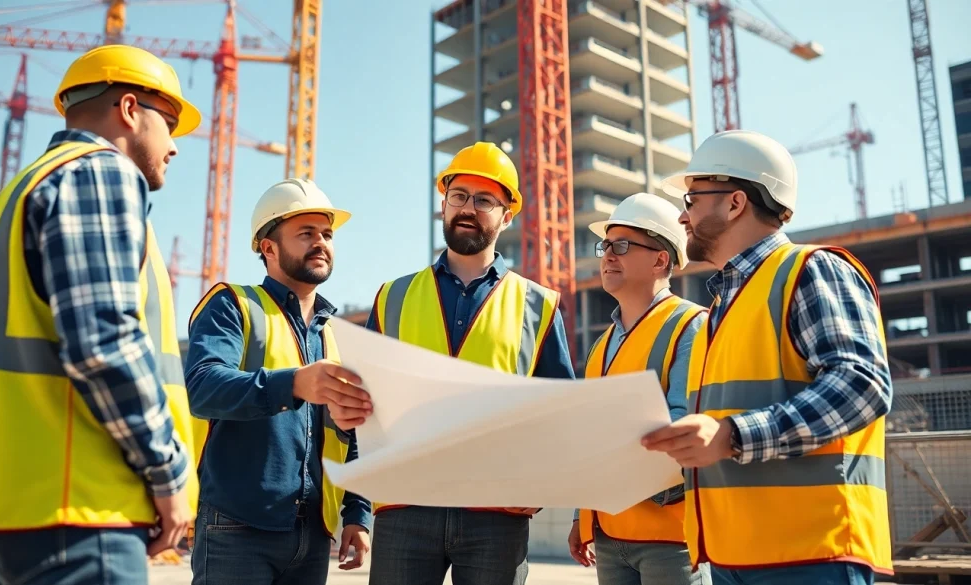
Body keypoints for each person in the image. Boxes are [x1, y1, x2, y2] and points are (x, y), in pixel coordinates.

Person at [0, 44, 201, 584]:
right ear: (129, 109)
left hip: (3, 510)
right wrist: (168, 472)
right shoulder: (98, 174)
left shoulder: (7, 204)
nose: (175, 146)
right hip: (81, 507)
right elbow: (103, 340)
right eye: (170, 122)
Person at [641, 129, 893, 585]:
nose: (681, 215)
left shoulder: (812, 269)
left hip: (812, 554)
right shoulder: (722, 309)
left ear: (735, 203)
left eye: (692, 199)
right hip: (733, 555)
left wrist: (733, 435)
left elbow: (862, 386)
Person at [352, 141, 577, 585]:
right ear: (443, 205)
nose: (468, 208)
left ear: (507, 216)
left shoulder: (538, 305)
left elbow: (560, 411)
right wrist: (357, 507)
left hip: (496, 513)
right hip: (405, 507)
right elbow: (360, 411)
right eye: (459, 196)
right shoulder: (393, 296)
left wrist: (542, 486)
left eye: (484, 200)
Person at [183, 178, 373, 584]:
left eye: (327, 234)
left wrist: (358, 513)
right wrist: (294, 384)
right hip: (236, 527)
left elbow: (355, 433)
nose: (320, 243)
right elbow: (203, 387)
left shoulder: (334, 336)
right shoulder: (233, 305)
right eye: (306, 233)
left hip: (313, 536)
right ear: (268, 248)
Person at [568, 193, 710, 585]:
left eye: (622, 246)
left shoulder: (690, 325)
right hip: (609, 533)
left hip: (671, 537)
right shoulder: (601, 345)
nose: (608, 256)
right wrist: (581, 516)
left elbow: (684, 424)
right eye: (606, 246)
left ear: (660, 260)